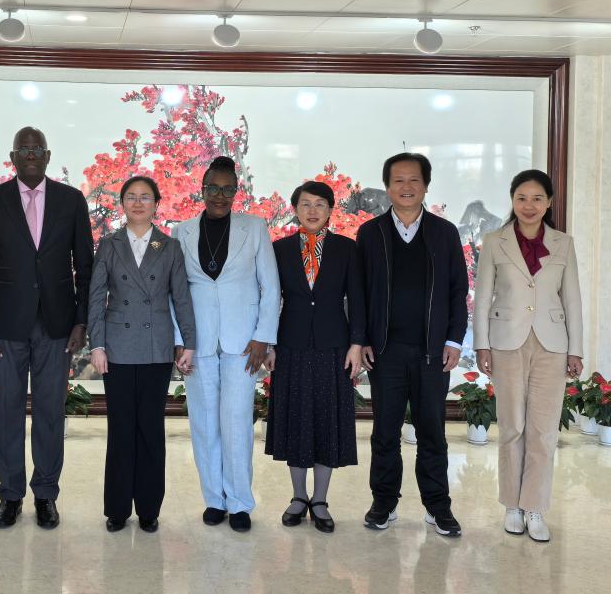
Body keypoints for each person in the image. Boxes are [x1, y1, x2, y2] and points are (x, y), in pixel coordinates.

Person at [0, 126, 94, 529]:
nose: (31, 156)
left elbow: (85, 268)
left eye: (37, 149)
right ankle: (10, 494)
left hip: (57, 325)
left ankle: (45, 494)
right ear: (12, 158)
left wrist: (81, 320)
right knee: (6, 412)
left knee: (50, 412)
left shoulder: (71, 200)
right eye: (23, 151)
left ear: (48, 155)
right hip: (5, 327)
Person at [358, 153, 468, 537]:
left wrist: (454, 339)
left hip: (432, 352)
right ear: (387, 186)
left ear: (426, 185)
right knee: (385, 433)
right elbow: (359, 293)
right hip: (385, 351)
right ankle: (384, 502)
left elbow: (458, 290)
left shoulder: (444, 232)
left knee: (432, 432)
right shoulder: (370, 234)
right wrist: (362, 339)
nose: (406, 187)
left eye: (414, 180)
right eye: (398, 180)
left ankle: (438, 507)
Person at [472, 169, 583, 542]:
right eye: (522, 198)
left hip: (552, 345)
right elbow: (482, 297)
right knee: (512, 426)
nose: (529, 205)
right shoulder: (495, 241)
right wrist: (482, 344)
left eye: (537, 198)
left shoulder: (563, 243)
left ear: (549, 202)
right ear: (512, 200)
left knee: (542, 430)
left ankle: (535, 507)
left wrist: (576, 349)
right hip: (506, 342)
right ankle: (512, 506)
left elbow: (572, 299)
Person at [172, 156, 280, 532]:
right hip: (197, 342)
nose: (220, 195)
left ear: (237, 191)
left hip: (244, 343)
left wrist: (264, 337)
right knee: (204, 424)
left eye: (227, 189)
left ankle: (239, 503)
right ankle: (214, 500)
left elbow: (271, 286)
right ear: (202, 189)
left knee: (236, 424)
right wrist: (179, 340)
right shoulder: (181, 231)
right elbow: (175, 292)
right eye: (213, 188)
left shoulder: (255, 227)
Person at [87, 176, 197, 533]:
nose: (137, 203)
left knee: (151, 429)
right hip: (117, 346)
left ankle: (149, 508)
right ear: (122, 203)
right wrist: (97, 345)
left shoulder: (170, 246)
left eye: (145, 197)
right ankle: (117, 509)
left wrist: (189, 343)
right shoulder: (109, 244)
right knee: (121, 429)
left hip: (156, 348)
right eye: (131, 197)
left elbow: (181, 297)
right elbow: (96, 297)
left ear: (156, 204)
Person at [267, 181, 365, 533]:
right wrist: (269, 344)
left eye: (320, 204)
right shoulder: (279, 249)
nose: (312, 211)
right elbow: (269, 298)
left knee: (327, 421)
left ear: (330, 210)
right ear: (295, 209)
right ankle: (298, 497)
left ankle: (320, 500)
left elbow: (358, 299)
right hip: (290, 345)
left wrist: (356, 344)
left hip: (333, 346)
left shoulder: (346, 249)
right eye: (305, 204)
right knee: (295, 420)